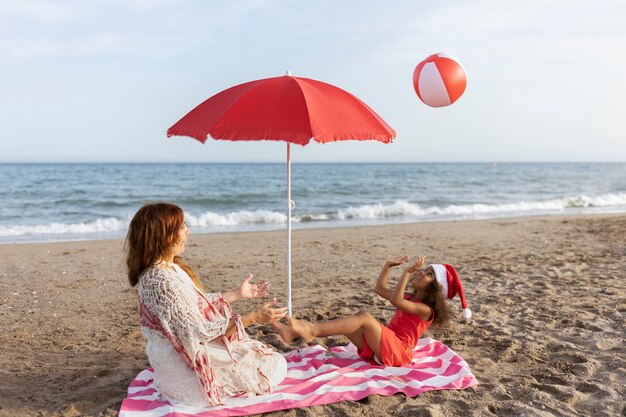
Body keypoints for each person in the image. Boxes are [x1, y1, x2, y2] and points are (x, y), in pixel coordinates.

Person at [125, 202, 288, 407]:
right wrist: (253, 318)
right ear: (165, 236)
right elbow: (199, 331)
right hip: (185, 374)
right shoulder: (161, 280)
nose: (188, 231)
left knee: (262, 356)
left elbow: (190, 307)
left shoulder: (166, 269)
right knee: (276, 366)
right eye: (182, 227)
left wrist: (237, 294)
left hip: (175, 358)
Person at [275, 256, 471, 367]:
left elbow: (396, 300)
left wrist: (406, 273)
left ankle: (311, 330)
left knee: (364, 317)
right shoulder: (411, 299)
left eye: (429, 274)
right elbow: (379, 289)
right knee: (350, 323)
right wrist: (387, 266)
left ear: (435, 289)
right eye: (426, 269)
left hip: (398, 353)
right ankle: (292, 332)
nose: (423, 272)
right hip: (383, 349)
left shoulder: (425, 310)